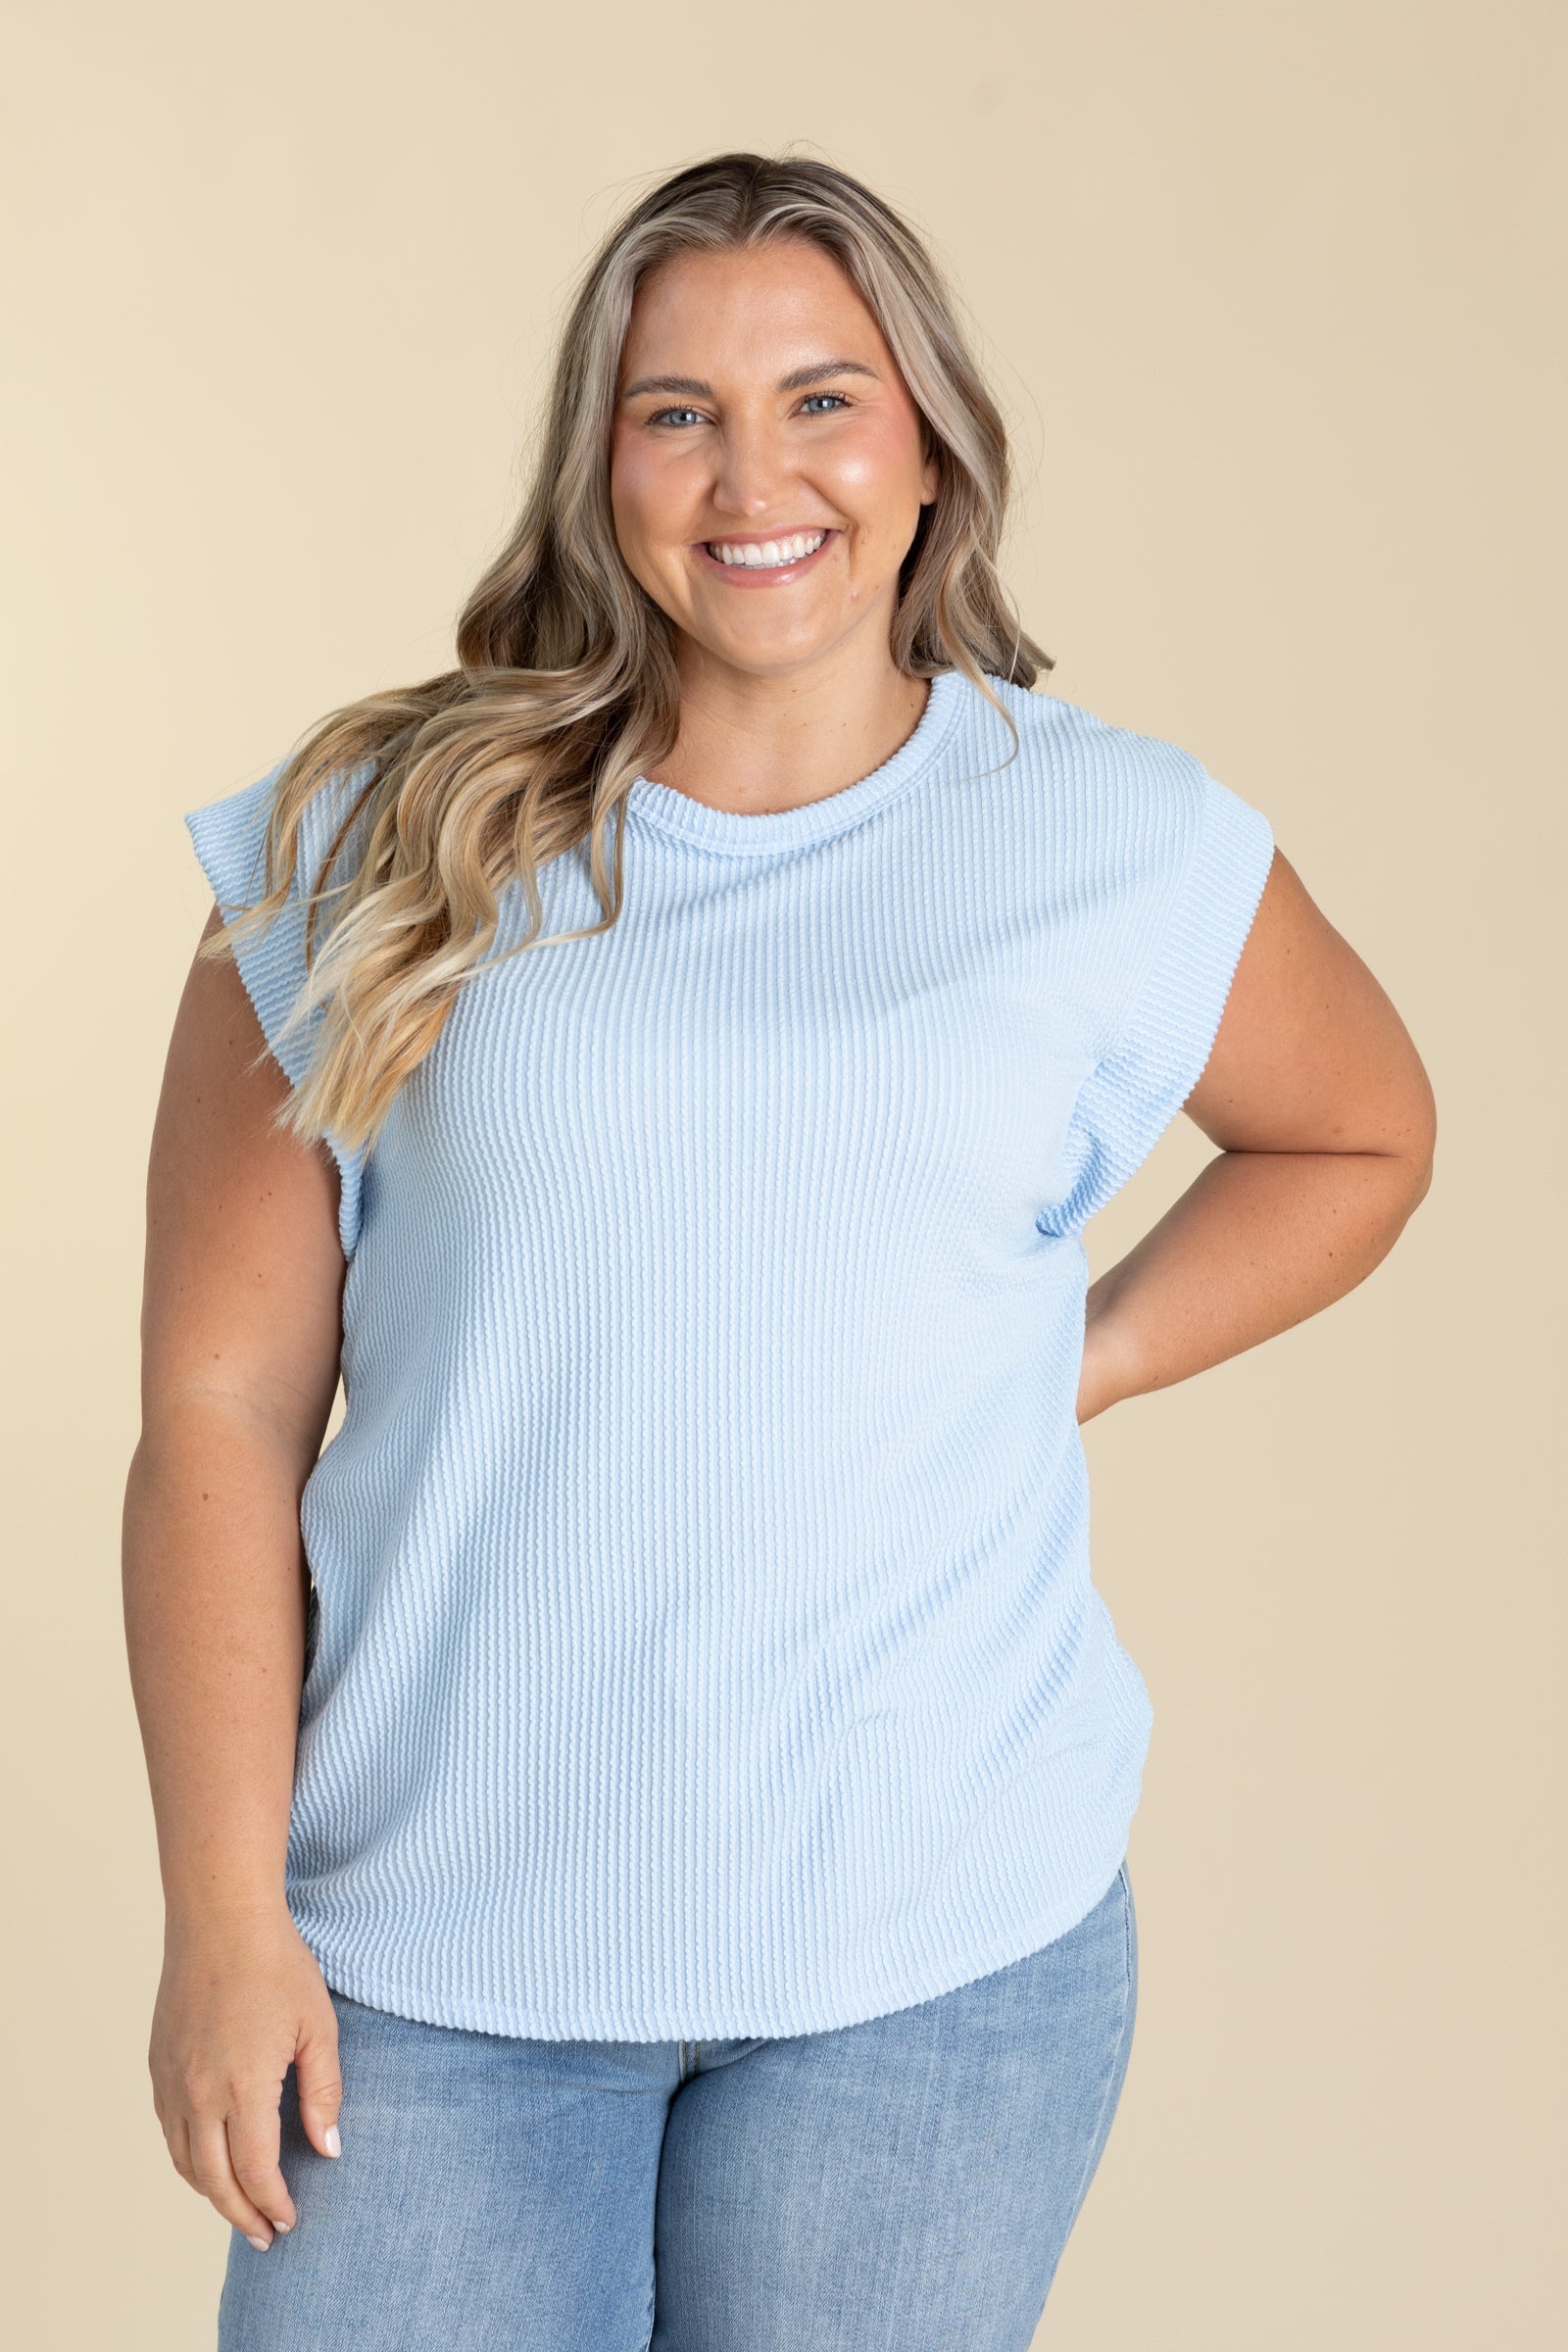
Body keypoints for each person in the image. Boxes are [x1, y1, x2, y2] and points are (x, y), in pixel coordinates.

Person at [122, 151, 1436, 2351]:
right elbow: (218, 1412)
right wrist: (222, 1920)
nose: (756, 480)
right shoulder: (377, 839)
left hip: (934, 1968)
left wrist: (1082, 1356)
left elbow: (1361, 1134)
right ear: (599, 467)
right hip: (431, 1962)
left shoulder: (1113, 837)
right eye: (679, 414)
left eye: (823, 400)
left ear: (928, 448)